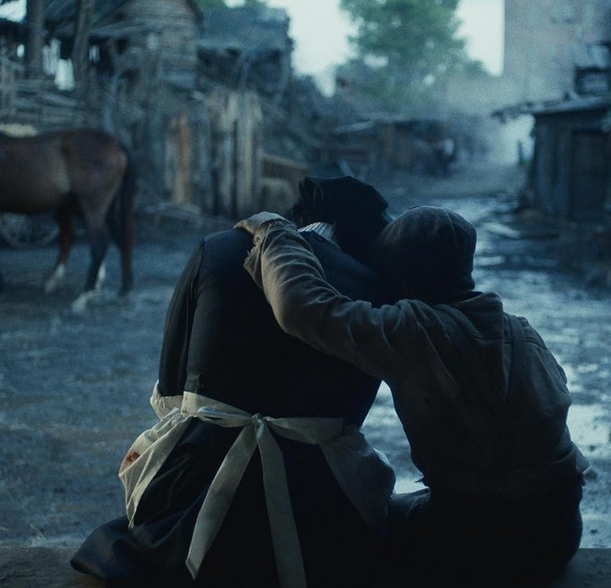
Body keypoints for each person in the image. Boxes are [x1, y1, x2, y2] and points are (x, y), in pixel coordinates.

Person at [71, 176, 398, 588]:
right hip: (314, 499)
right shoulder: (372, 287)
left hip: (198, 479)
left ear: (302, 216)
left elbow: (171, 388)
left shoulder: (219, 248)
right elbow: (352, 419)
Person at [237, 206, 589, 586]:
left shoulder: (415, 330)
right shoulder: (521, 330)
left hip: (485, 536)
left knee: (362, 521)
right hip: (560, 529)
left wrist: (275, 232)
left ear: (402, 281)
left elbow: (302, 308)